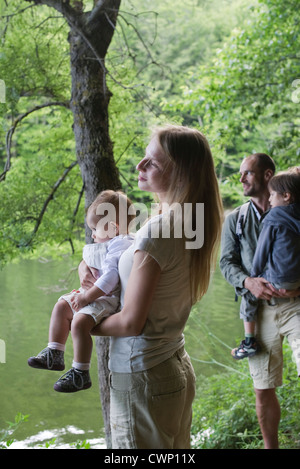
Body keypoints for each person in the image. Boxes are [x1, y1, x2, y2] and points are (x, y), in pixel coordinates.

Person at [79, 124, 224, 449]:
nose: (139, 167)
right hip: (172, 366)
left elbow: (132, 322)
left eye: (152, 162)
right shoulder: (190, 222)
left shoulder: (158, 231)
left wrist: (82, 319)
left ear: (181, 172)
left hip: (143, 375)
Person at [220, 154, 300, 449]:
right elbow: (226, 264)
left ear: (268, 175)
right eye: (240, 174)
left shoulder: (295, 206)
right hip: (258, 312)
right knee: (263, 388)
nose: (240, 179)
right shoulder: (236, 219)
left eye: (247, 173)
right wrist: (248, 281)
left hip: (297, 306)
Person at [28, 190, 135, 393]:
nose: (93, 234)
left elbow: (111, 277)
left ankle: (80, 372)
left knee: (79, 322)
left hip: (105, 299)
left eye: (95, 229)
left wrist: (86, 297)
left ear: (113, 227)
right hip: (92, 295)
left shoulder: (121, 244)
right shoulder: (111, 241)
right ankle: (55, 352)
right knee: (61, 306)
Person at [232, 169, 300, 360]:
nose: (270, 199)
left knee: (249, 292)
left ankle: (248, 341)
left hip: (279, 285)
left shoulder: (273, 217)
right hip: (295, 283)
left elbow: (262, 251)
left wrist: (252, 277)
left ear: (286, 196)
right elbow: (227, 262)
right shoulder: (237, 218)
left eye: (273, 194)